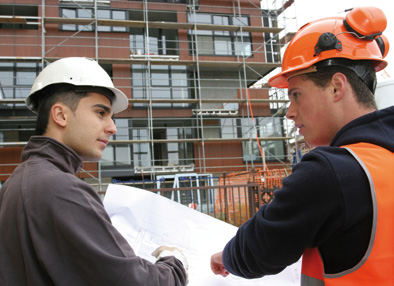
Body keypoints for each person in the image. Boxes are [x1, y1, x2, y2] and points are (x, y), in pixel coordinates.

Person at [211, 6, 393, 285]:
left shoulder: (329, 173)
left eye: (296, 95)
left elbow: (261, 249)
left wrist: (226, 256)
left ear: (336, 87)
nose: (290, 112)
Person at [0, 57, 188, 285]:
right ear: (60, 115)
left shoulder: (15, 183)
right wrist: (174, 262)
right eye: (101, 113)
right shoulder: (62, 190)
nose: (112, 127)